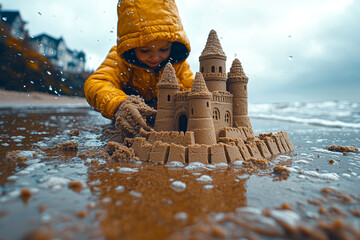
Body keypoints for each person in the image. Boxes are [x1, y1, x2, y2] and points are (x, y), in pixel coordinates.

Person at [84, 0, 194, 137]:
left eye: (164, 49)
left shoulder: (178, 65)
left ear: (173, 44)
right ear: (131, 46)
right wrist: (118, 104)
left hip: (163, 117)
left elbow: (192, 88)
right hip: (129, 116)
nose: (155, 57)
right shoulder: (120, 60)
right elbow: (96, 83)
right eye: (144, 50)